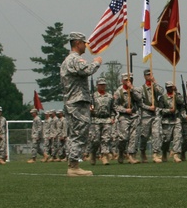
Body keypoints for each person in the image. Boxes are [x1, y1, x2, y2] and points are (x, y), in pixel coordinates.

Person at [60, 31, 103, 176]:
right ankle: (73, 166)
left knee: (74, 134)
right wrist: (96, 62)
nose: (86, 46)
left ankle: (73, 164)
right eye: (84, 43)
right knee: (80, 134)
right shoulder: (75, 59)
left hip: (72, 102)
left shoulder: (67, 60)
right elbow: (87, 70)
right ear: (77, 43)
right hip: (77, 102)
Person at [137, 68, 167, 163]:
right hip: (146, 114)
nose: (150, 76)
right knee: (144, 136)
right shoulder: (141, 89)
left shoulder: (155, 87)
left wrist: (155, 82)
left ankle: (155, 154)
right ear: (145, 76)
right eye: (148, 75)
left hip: (156, 114)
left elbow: (162, 91)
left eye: (151, 74)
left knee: (156, 134)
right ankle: (142, 151)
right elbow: (139, 103)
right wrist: (148, 107)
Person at [113, 73, 141, 164]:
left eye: (130, 80)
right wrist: (125, 110)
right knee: (123, 138)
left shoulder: (135, 89)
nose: (129, 81)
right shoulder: (118, 92)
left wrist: (132, 89)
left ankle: (131, 156)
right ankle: (121, 152)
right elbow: (115, 106)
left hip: (134, 115)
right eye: (126, 80)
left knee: (134, 136)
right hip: (124, 116)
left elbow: (140, 98)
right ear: (122, 81)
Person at [89, 79, 115, 165]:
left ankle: (104, 155)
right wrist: (90, 110)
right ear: (97, 85)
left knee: (106, 139)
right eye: (100, 85)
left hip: (106, 119)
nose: (102, 86)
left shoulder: (110, 96)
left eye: (104, 84)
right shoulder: (92, 96)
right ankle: (93, 153)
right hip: (96, 119)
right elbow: (87, 109)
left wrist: (112, 117)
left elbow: (113, 109)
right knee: (95, 140)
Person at [160, 82, 184, 162]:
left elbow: (181, 102)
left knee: (177, 137)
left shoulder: (176, 96)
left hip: (176, 119)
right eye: (169, 87)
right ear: (166, 88)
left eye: (172, 87)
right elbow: (160, 110)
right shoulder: (163, 98)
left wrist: (176, 92)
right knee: (166, 139)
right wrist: (169, 111)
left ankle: (176, 155)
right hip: (167, 121)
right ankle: (164, 152)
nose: (171, 89)